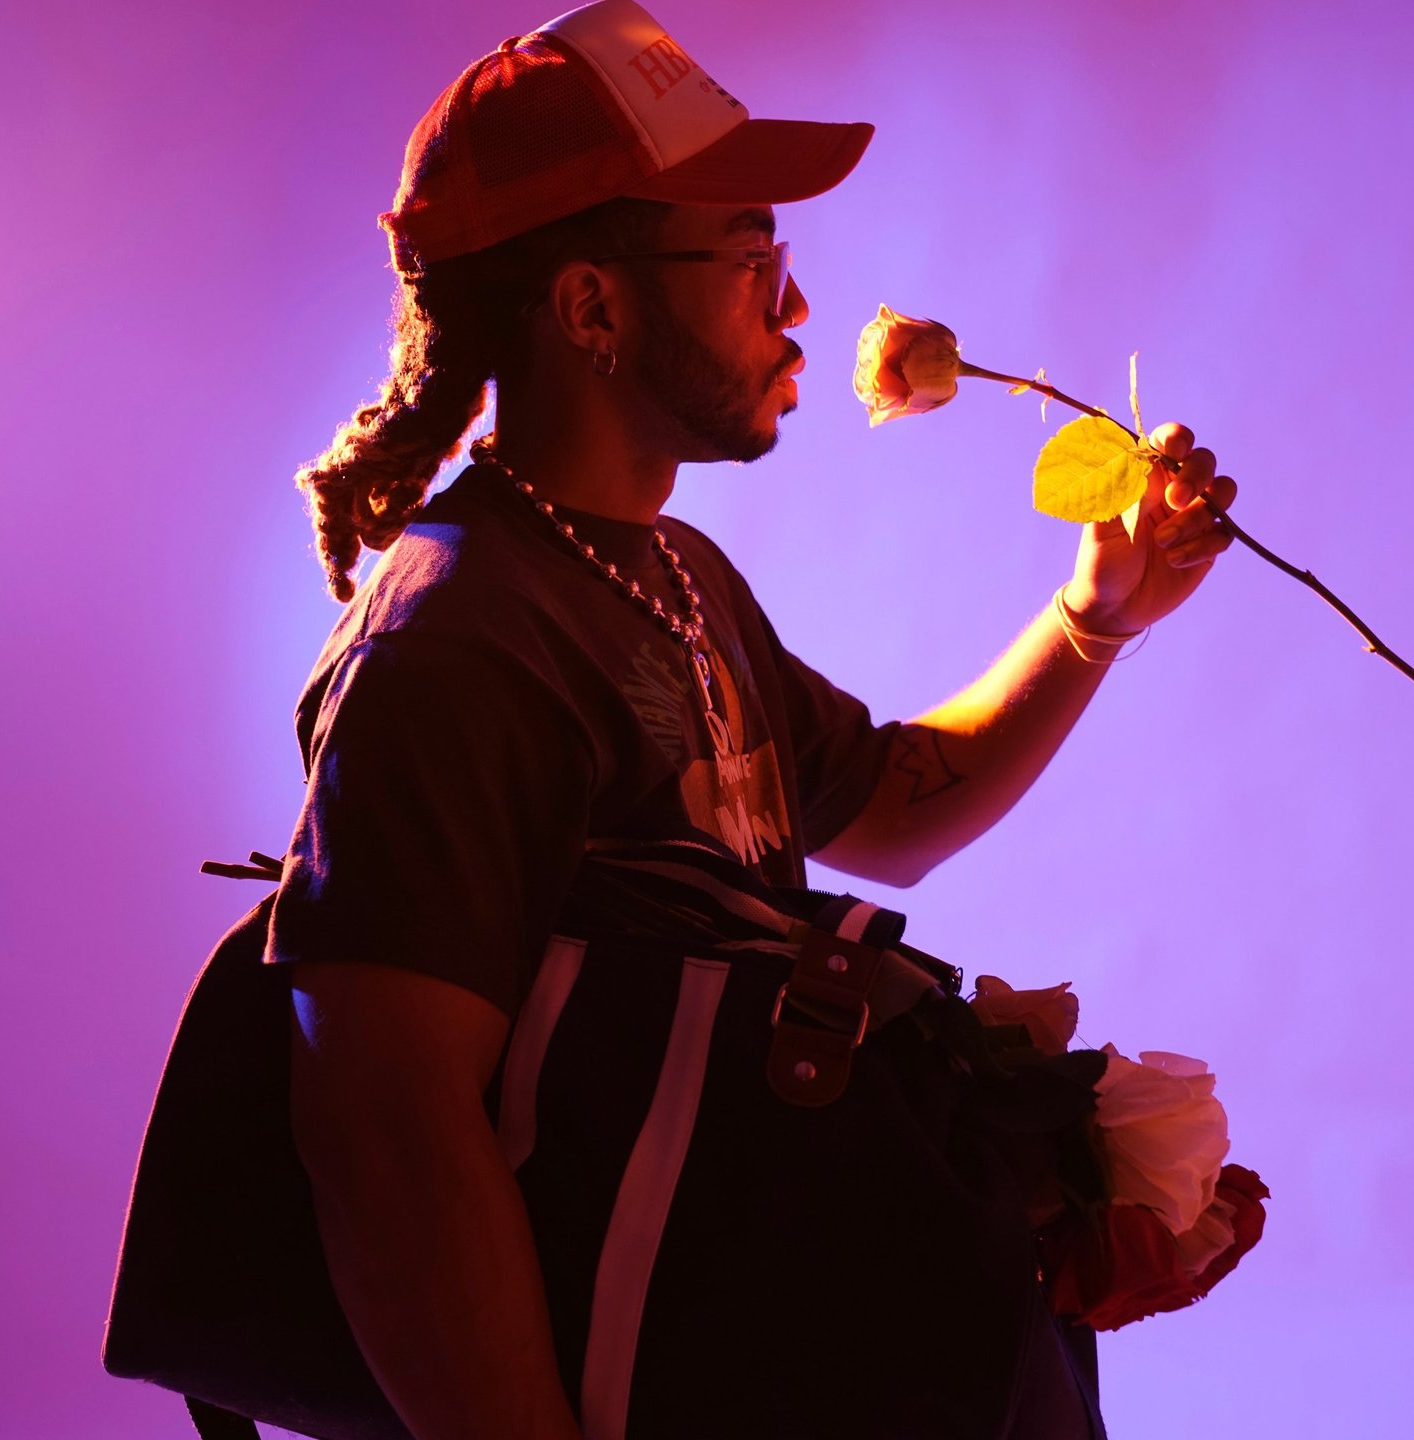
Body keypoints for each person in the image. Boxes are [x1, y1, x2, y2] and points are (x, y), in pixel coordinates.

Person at [265, 3, 1237, 1437]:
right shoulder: (451, 644)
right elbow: (388, 1139)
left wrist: (1101, 613)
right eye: (750, 260)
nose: (795, 308)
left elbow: (893, 809)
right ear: (592, 309)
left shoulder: (674, 576)